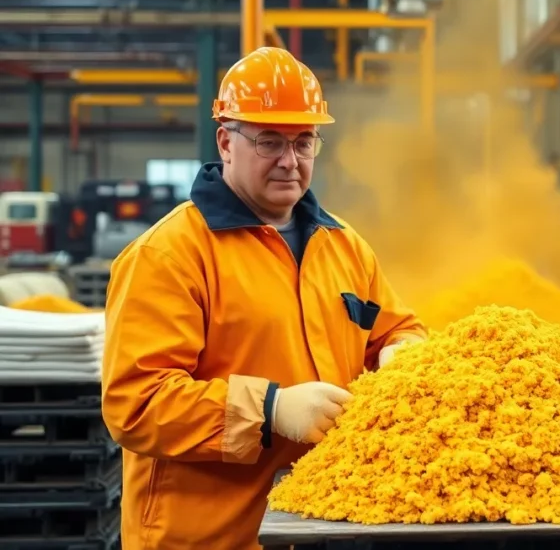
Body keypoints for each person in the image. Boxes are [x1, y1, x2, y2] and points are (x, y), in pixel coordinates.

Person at [101, 47, 427, 550]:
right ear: (225, 141)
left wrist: (402, 350)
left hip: (317, 527)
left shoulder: (343, 246)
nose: (288, 160)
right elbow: (136, 403)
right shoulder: (169, 255)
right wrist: (270, 409)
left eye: (303, 142)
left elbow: (395, 327)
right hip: (206, 538)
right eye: (269, 141)